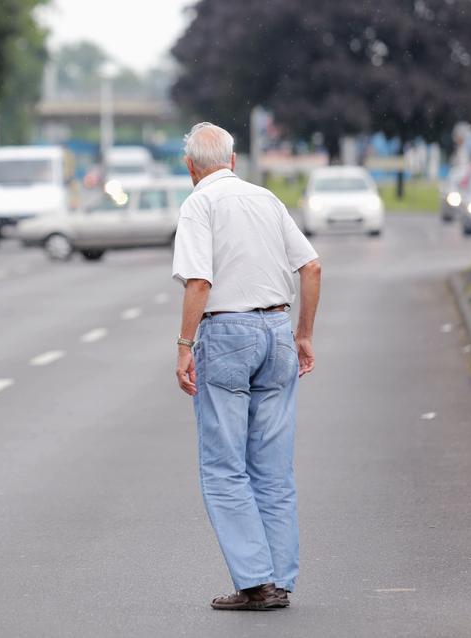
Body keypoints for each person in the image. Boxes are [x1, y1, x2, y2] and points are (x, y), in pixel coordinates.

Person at [172, 123, 321, 610]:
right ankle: (279, 578)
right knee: (273, 468)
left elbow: (199, 281)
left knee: (224, 466)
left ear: (191, 167)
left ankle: (255, 581)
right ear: (233, 161)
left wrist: (184, 346)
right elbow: (312, 267)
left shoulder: (199, 204)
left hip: (228, 334)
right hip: (277, 330)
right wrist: (303, 335)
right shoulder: (265, 199)